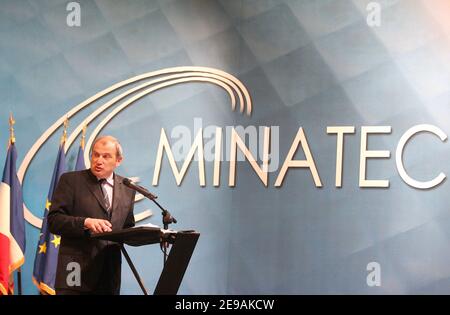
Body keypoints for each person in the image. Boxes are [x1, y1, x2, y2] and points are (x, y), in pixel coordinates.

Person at [48, 135, 136, 295]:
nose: (99, 160)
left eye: (106, 156)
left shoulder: (127, 188)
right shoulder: (71, 181)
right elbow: (54, 221)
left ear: (118, 161)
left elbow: (127, 227)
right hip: (75, 272)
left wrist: (147, 235)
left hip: (109, 274)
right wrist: (86, 222)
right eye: (95, 154)